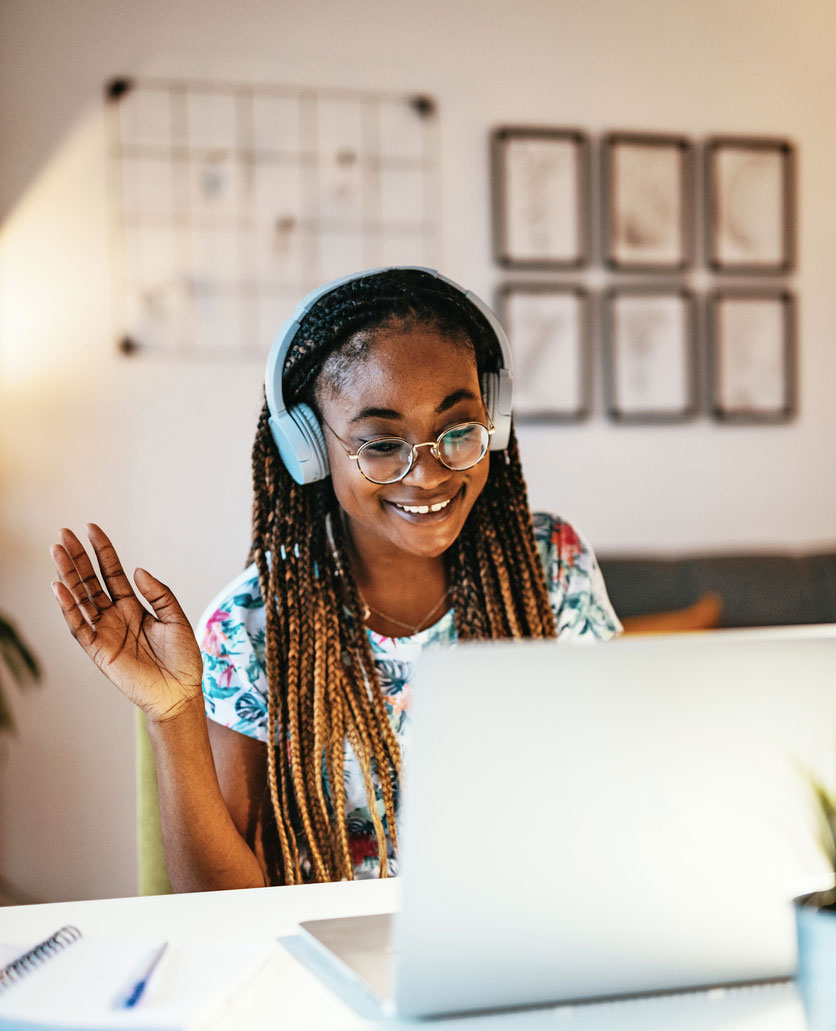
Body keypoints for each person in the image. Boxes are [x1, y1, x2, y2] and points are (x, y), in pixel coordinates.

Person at [50, 267, 620, 892]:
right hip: (337, 960)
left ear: (496, 417)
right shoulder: (253, 627)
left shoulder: (550, 565)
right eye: (379, 444)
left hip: (531, 935)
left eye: (458, 430)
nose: (427, 474)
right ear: (310, 450)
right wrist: (175, 713)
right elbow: (217, 908)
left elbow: (617, 795)